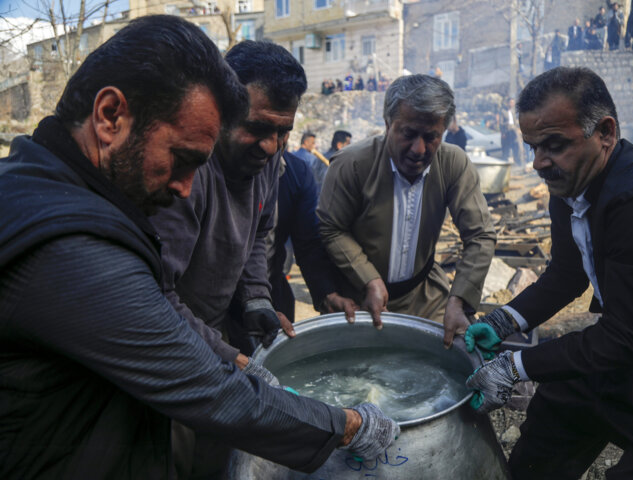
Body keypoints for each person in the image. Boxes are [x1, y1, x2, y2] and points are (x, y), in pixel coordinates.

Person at [0, 16, 397, 479]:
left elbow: (259, 240)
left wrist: (255, 300)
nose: (188, 189)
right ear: (110, 116)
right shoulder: (69, 247)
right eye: (183, 159)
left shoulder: (48, 183)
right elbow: (211, 390)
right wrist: (348, 424)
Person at [465, 66, 633, 479]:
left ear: (605, 132)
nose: (539, 163)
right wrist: (504, 319)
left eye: (554, 145)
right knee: (545, 436)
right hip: (629, 360)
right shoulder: (569, 185)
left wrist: (514, 367)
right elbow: (568, 273)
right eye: (532, 147)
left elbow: (622, 339)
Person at [148, 40, 385, 477]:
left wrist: (256, 295)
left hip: (215, 327)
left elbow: (260, 233)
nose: (272, 146)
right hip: (167, 344)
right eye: (257, 128)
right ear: (220, 108)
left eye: (284, 132)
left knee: (222, 453)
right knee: (171, 454)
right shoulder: (188, 176)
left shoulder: (270, 166)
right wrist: (224, 353)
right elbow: (154, 298)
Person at [317, 74, 496, 349]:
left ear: (444, 132)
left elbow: (480, 235)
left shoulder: (453, 164)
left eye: (431, 137)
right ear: (388, 124)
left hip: (426, 298)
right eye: (408, 134)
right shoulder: (351, 164)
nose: (419, 149)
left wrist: (460, 300)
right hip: (358, 300)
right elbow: (331, 227)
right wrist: (370, 280)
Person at [269, 150, 358, 324]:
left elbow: (308, 243)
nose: (271, 143)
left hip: (272, 291)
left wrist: (327, 294)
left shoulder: (297, 172)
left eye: (282, 133)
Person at [499, 97, 524, 165]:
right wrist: (503, 133)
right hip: (507, 132)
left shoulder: (513, 111)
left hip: (514, 131)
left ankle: (519, 163)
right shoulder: (503, 111)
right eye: (510, 102)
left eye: (513, 103)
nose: (512, 104)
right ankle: (505, 164)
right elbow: (501, 124)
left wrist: (518, 129)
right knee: (506, 149)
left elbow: (515, 122)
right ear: (507, 103)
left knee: (518, 147)